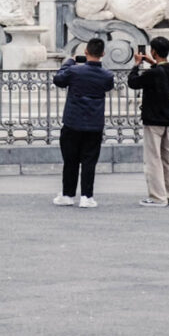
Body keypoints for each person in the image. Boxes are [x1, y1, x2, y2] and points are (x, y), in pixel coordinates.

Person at [52, 37, 114, 208]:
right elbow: (108, 87)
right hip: (94, 124)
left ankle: (68, 194)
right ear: (103, 54)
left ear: (86, 52)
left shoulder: (74, 71)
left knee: (70, 160)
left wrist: (69, 61)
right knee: (89, 161)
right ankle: (87, 196)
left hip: (73, 121)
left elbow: (58, 79)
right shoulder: (107, 76)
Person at [127, 36, 169, 207]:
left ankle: (158, 197)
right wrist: (154, 63)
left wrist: (136, 65)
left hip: (153, 118)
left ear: (154, 51)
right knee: (167, 159)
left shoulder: (153, 73)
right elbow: (162, 77)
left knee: (153, 159)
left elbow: (133, 82)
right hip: (167, 118)